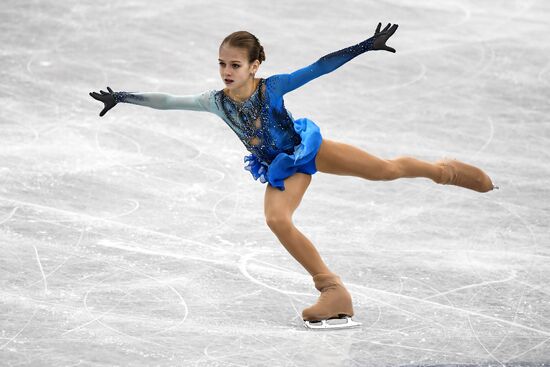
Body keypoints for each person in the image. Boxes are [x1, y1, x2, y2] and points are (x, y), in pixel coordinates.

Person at [90, 23, 495, 330]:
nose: (227, 71)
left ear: (255, 66)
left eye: (235, 65)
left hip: (308, 149)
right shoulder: (214, 102)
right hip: (282, 168)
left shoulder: (273, 88)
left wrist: (363, 47)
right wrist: (123, 97)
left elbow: (317, 68)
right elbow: (168, 101)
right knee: (277, 219)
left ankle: (444, 171)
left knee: (385, 171)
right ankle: (333, 291)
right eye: (222, 64)